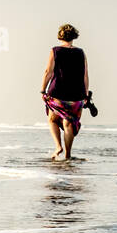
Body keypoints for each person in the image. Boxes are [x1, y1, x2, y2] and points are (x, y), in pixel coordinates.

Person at [40, 23, 90, 161]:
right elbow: (85, 75)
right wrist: (85, 95)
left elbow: (48, 72)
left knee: (52, 120)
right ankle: (68, 155)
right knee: (68, 123)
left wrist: (43, 89)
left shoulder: (55, 51)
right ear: (74, 36)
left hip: (57, 92)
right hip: (77, 94)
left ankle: (58, 147)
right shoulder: (81, 52)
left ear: (60, 35)